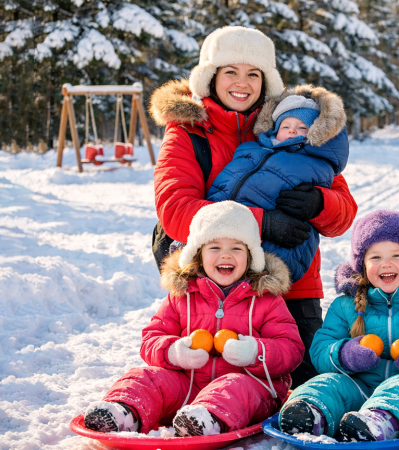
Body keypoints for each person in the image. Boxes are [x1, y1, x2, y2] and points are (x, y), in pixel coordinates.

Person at [150, 25, 357, 387]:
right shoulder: (188, 131)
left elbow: (344, 213)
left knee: (305, 381)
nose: (241, 82)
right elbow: (175, 209)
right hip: (219, 281)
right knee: (208, 377)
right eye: (230, 71)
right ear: (211, 77)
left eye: (253, 73)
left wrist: (318, 202)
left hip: (291, 283)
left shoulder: (289, 127)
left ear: (266, 81)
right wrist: (261, 223)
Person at [83, 201, 304, 436]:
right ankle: (123, 412)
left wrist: (254, 351)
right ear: (198, 254)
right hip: (186, 387)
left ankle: (205, 422)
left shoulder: (266, 299)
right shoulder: (182, 295)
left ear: (251, 257)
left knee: (234, 385)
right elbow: (151, 338)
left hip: (249, 388)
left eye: (237, 248)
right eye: (214, 247)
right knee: (146, 377)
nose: (226, 254)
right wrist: (173, 352)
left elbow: (290, 349)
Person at [277, 210, 399, 441]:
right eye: (375, 257)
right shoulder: (345, 306)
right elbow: (321, 349)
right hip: (361, 388)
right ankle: (309, 414)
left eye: (397, 255)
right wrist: (346, 354)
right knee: (329, 384)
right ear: (361, 264)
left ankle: (382, 421)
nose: (386, 264)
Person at [206, 90, 348, 283]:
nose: (292, 131)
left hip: (280, 241)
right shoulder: (252, 148)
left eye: (301, 127)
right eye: (286, 125)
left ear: (316, 133)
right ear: (274, 129)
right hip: (224, 224)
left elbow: (344, 210)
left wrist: (320, 202)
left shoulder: (317, 163)